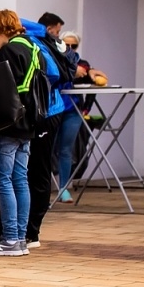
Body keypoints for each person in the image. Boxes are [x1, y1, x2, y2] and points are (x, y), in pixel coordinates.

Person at [0, 10, 41, 257]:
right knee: (20, 180)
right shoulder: (32, 47)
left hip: (8, 124)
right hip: (28, 124)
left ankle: (10, 238)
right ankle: (20, 237)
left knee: (4, 181)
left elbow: (3, 88)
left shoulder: (9, 50)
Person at [21, 13, 70, 246]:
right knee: (29, 171)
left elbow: (53, 75)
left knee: (37, 171)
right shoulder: (35, 39)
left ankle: (32, 231)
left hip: (45, 113)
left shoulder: (30, 42)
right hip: (47, 111)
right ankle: (23, 228)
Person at [55, 31, 90, 202]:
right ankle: (42, 186)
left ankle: (63, 188)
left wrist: (87, 109)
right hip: (54, 109)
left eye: (73, 46)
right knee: (46, 150)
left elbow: (91, 81)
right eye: (66, 44)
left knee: (66, 149)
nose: (69, 48)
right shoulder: (55, 59)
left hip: (72, 110)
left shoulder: (81, 63)